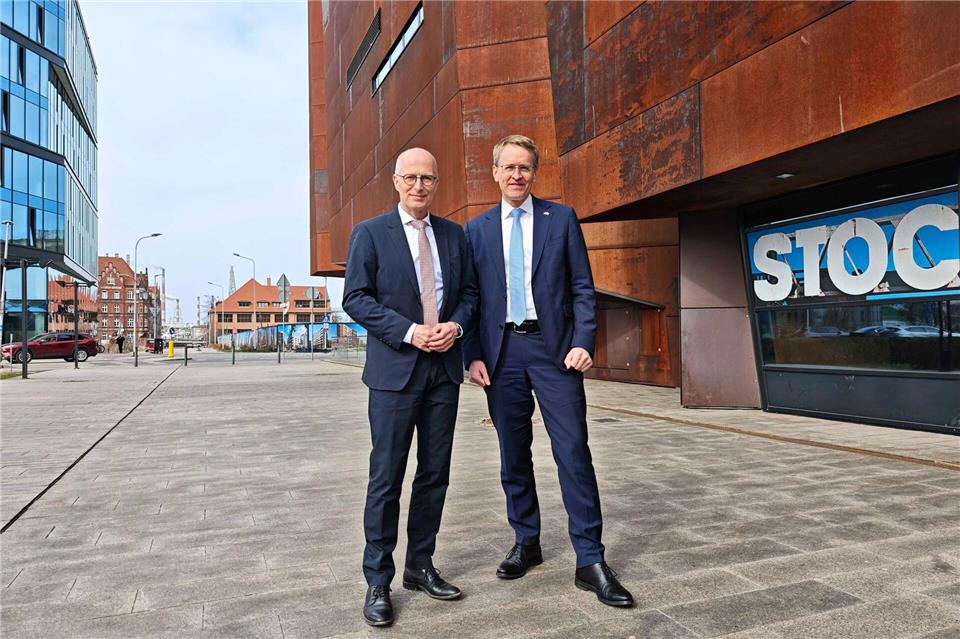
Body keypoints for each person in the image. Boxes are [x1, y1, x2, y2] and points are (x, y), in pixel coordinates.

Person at [463, 135, 633, 607]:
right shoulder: (475, 231)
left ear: (534, 173)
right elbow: (470, 299)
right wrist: (471, 354)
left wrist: (583, 342)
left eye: (524, 167)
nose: (516, 175)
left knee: (573, 451)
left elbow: (582, 287)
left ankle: (590, 559)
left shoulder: (560, 219)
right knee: (513, 454)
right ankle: (527, 541)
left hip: (555, 351)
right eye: (508, 167)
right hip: (501, 354)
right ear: (495, 173)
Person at [342, 147, 478, 627]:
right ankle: (378, 579)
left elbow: (470, 295)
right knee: (387, 477)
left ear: (436, 183)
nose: (420, 186)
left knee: (435, 473)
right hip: (395, 373)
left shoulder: (454, 235)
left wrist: (455, 327)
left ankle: (420, 565)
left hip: (443, 371)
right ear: (396, 182)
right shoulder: (370, 233)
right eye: (411, 178)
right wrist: (409, 331)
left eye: (428, 178)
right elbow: (355, 298)